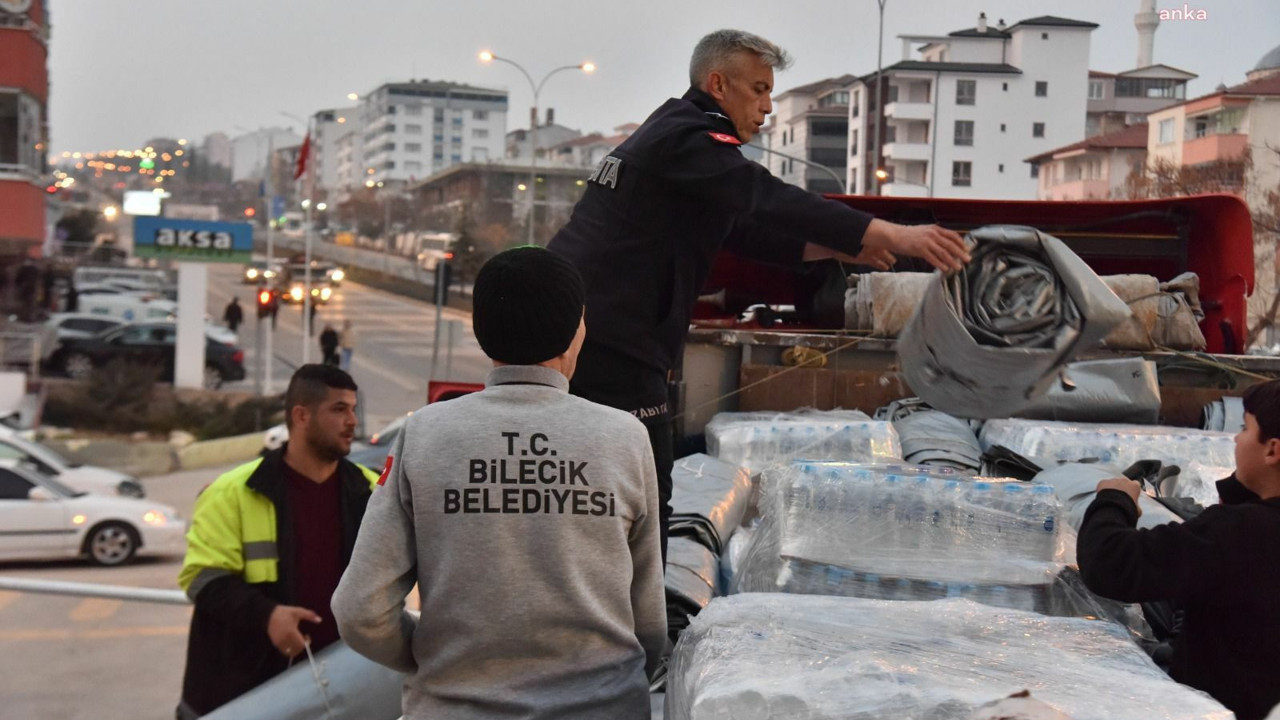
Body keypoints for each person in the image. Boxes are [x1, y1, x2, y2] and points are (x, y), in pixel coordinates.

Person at [547, 29, 969, 562]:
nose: (769, 107)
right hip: (610, 343)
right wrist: (886, 232)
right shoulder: (687, 139)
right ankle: (630, 628)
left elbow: (746, 232)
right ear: (718, 84)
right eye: (759, 90)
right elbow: (763, 196)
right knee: (641, 497)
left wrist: (848, 248)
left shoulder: (682, 141)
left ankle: (622, 609)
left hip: (603, 335)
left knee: (631, 493)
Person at [333, 247, 666, 720]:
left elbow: (359, 610)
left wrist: (439, 661)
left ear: (480, 332)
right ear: (576, 334)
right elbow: (648, 623)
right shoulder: (625, 439)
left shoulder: (426, 433)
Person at [175, 364, 381, 719]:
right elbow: (202, 579)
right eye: (339, 409)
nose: (352, 422)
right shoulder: (230, 493)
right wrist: (267, 615)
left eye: (353, 409)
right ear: (301, 416)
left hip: (342, 688)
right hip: (246, 692)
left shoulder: (372, 492)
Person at [1076, 379, 1280, 720]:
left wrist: (1115, 500)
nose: (1236, 438)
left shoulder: (1237, 534)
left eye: (1245, 429)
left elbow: (1110, 563)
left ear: (1272, 450)